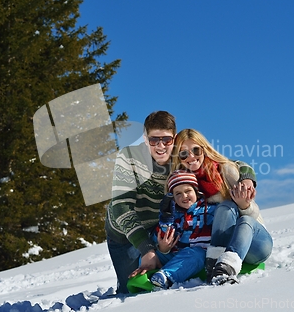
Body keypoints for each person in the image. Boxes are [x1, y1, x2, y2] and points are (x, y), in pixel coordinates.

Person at [171, 128, 273, 285]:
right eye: (184, 153)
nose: (191, 157)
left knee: (231, 210)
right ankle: (217, 268)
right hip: (218, 248)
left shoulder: (225, 171)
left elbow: (252, 215)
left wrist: (243, 204)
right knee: (223, 209)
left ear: (204, 149)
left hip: (253, 241)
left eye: (196, 150)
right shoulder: (185, 186)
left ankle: (224, 264)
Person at [105, 111, 176, 294]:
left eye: (166, 140)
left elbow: (223, 163)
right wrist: (146, 249)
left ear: (174, 138)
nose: (161, 146)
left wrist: (246, 177)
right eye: (154, 140)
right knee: (131, 289)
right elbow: (121, 207)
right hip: (123, 234)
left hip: (156, 228)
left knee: (162, 283)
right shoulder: (129, 158)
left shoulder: (182, 158)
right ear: (146, 139)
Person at [147, 170, 217, 289]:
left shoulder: (209, 210)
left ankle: (166, 277)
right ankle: (148, 273)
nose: (184, 196)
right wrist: (165, 222)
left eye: (188, 191)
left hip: (199, 257)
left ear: (196, 191)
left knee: (197, 254)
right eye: (178, 194)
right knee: (149, 255)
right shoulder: (174, 215)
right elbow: (160, 238)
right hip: (175, 254)